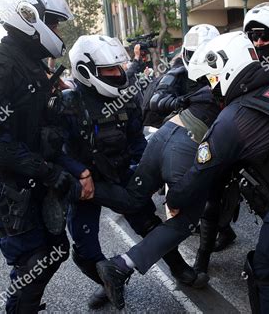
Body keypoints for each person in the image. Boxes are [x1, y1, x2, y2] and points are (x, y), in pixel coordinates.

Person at [98, 31, 269, 313]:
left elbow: (198, 176)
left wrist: (174, 199)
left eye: (212, 79)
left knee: (268, 267)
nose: (212, 89)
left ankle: (85, 193)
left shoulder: (234, 118)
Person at [58, 35, 204, 309]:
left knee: (149, 224)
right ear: (85, 70)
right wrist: (79, 172)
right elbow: (56, 151)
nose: (118, 74)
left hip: (123, 173)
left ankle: (178, 267)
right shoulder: (67, 104)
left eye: (119, 67)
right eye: (110, 70)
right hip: (84, 183)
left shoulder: (127, 98)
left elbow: (138, 141)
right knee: (84, 245)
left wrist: (151, 170)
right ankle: (108, 282)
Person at [0, 0, 75, 312]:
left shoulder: (30, 63)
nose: (56, 30)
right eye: (52, 23)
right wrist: (48, 171)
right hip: (4, 183)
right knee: (33, 261)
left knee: (55, 249)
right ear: (30, 19)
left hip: (30, 178)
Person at [148, 24, 239, 275]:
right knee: (203, 197)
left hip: (225, 137)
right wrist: (183, 102)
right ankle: (202, 259)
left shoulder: (230, 69)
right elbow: (156, 100)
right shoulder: (178, 73)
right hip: (190, 140)